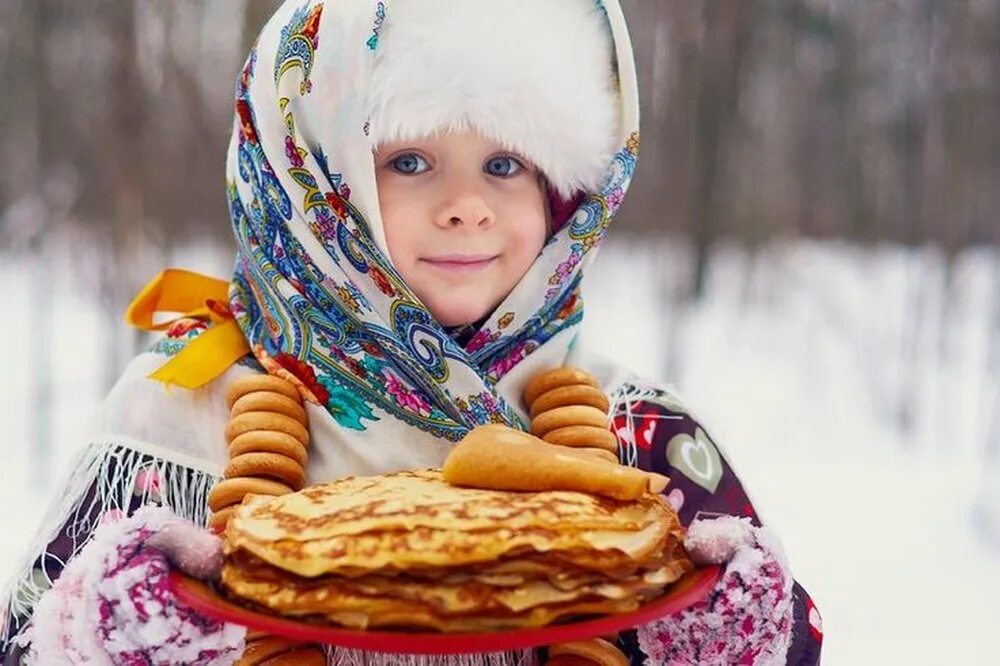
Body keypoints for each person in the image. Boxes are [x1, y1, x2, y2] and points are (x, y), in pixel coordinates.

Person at [0, 1, 823, 663]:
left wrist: (721, 638)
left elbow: (789, 645)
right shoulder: (182, 411)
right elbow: (32, 643)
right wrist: (114, 633)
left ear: (567, 198)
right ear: (313, 176)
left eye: (505, 165)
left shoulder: (634, 433)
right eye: (409, 161)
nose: (467, 204)